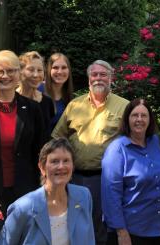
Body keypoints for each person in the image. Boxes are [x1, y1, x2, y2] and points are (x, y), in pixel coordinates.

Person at [52, 59, 129, 244]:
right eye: (94, 74)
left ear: (111, 78)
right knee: (74, 224)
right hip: (75, 178)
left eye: (103, 74)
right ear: (88, 79)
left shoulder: (124, 106)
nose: (98, 78)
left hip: (107, 179)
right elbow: (57, 138)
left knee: (102, 227)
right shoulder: (74, 106)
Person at [0, 50, 44, 243]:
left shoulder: (34, 109)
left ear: (19, 74)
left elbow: (42, 151)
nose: (5, 76)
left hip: (26, 193)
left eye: (11, 71)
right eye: (0, 71)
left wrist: (42, 189)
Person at [0, 137, 95, 245]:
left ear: (72, 166)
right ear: (42, 168)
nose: (61, 166)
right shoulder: (22, 208)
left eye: (66, 161)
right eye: (54, 161)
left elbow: (89, 239)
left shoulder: (84, 196)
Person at [101, 98, 160, 245]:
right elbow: (110, 195)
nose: (139, 119)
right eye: (135, 115)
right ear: (127, 119)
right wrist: (121, 231)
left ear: (150, 120)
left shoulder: (155, 142)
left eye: (144, 115)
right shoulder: (117, 150)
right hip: (132, 232)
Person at [17, 51, 55, 137]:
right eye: (31, 70)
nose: (36, 75)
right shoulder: (11, 100)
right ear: (20, 72)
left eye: (40, 70)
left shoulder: (48, 102)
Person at [42, 53, 74, 131]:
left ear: (68, 70)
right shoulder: (38, 90)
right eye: (55, 67)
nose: (60, 72)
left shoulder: (69, 97)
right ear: (49, 69)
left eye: (64, 67)